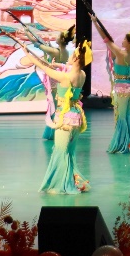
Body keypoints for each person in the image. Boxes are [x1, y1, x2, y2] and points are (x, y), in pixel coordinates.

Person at [33, 40, 91, 193]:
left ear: (76, 58)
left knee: (60, 151)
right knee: (68, 152)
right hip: (76, 118)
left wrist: (30, 56)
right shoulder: (82, 74)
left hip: (65, 118)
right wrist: (56, 65)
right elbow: (66, 68)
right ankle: (68, 180)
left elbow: (45, 69)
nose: (70, 56)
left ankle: (61, 185)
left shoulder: (65, 78)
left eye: (73, 54)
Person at [16, 22, 74, 141]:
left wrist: (27, 32)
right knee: (57, 105)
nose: (56, 37)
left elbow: (36, 44)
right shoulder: (65, 52)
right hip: (61, 80)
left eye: (58, 36)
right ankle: (58, 129)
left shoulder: (55, 52)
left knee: (53, 105)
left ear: (61, 39)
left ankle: (54, 131)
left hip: (54, 81)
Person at [92, 14, 130, 155]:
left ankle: (122, 144)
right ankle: (129, 143)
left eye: (125, 39)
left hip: (121, 89)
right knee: (127, 116)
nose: (122, 41)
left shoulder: (120, 53)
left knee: (121, 117)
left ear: (129, 43)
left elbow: (105, 39)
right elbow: (112, 48)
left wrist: (95, 22)